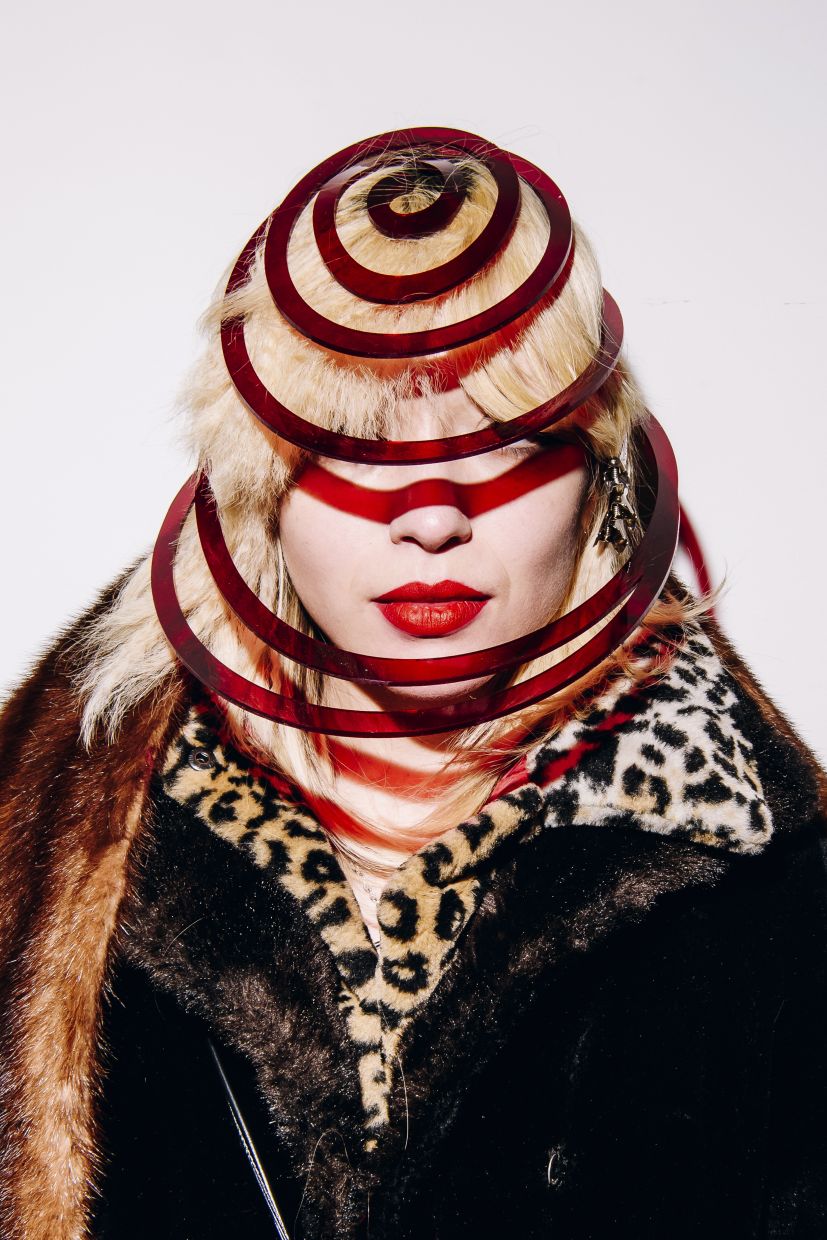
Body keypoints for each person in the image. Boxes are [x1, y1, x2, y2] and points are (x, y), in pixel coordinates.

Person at [0, 127, 825, 1240]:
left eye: (501, 438)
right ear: (260, 484)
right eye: (350, 438)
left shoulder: (770, 885)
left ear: (594, 474)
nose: (431, 514)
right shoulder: (48, 835)